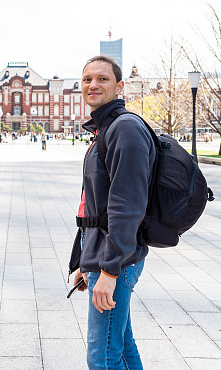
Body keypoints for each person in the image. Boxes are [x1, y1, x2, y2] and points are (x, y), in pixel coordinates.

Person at [71, 55, 155, 370]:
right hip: (106, 255)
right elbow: (93, 205)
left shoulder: (124, 128)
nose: (93, 85)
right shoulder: (106, 129)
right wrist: (84, 261)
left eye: (103, 79)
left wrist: (108, 271)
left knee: (102, 357)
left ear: (119, 86)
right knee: (120, 347)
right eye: (88, 79)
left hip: (116, 259)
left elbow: (127, 204)